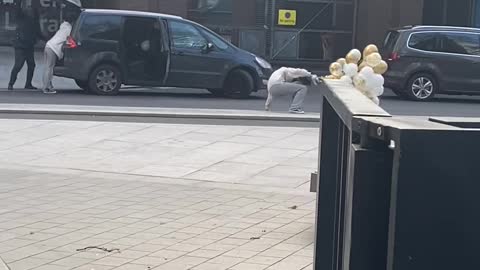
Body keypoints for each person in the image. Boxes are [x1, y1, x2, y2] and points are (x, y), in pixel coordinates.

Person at [8, 7, 39, 91]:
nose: (31, 12)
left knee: (31, 65)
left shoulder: (35, 21)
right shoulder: (21, 17)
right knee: (18, 65)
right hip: (20, 46)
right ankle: (11, 83)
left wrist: (48, 39)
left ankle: (28, 84)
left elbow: (39, 33)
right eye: (29, 10)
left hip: (29, 46)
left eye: (32, 11)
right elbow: (17, 8)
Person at [42, 16, 73, 94]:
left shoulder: (63, 26)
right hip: (53, 48)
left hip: (48, 45)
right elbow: (69, 41)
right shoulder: (68, 30)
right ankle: (46, 88)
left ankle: (47, 85)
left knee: (47, 68)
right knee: (50, 68)